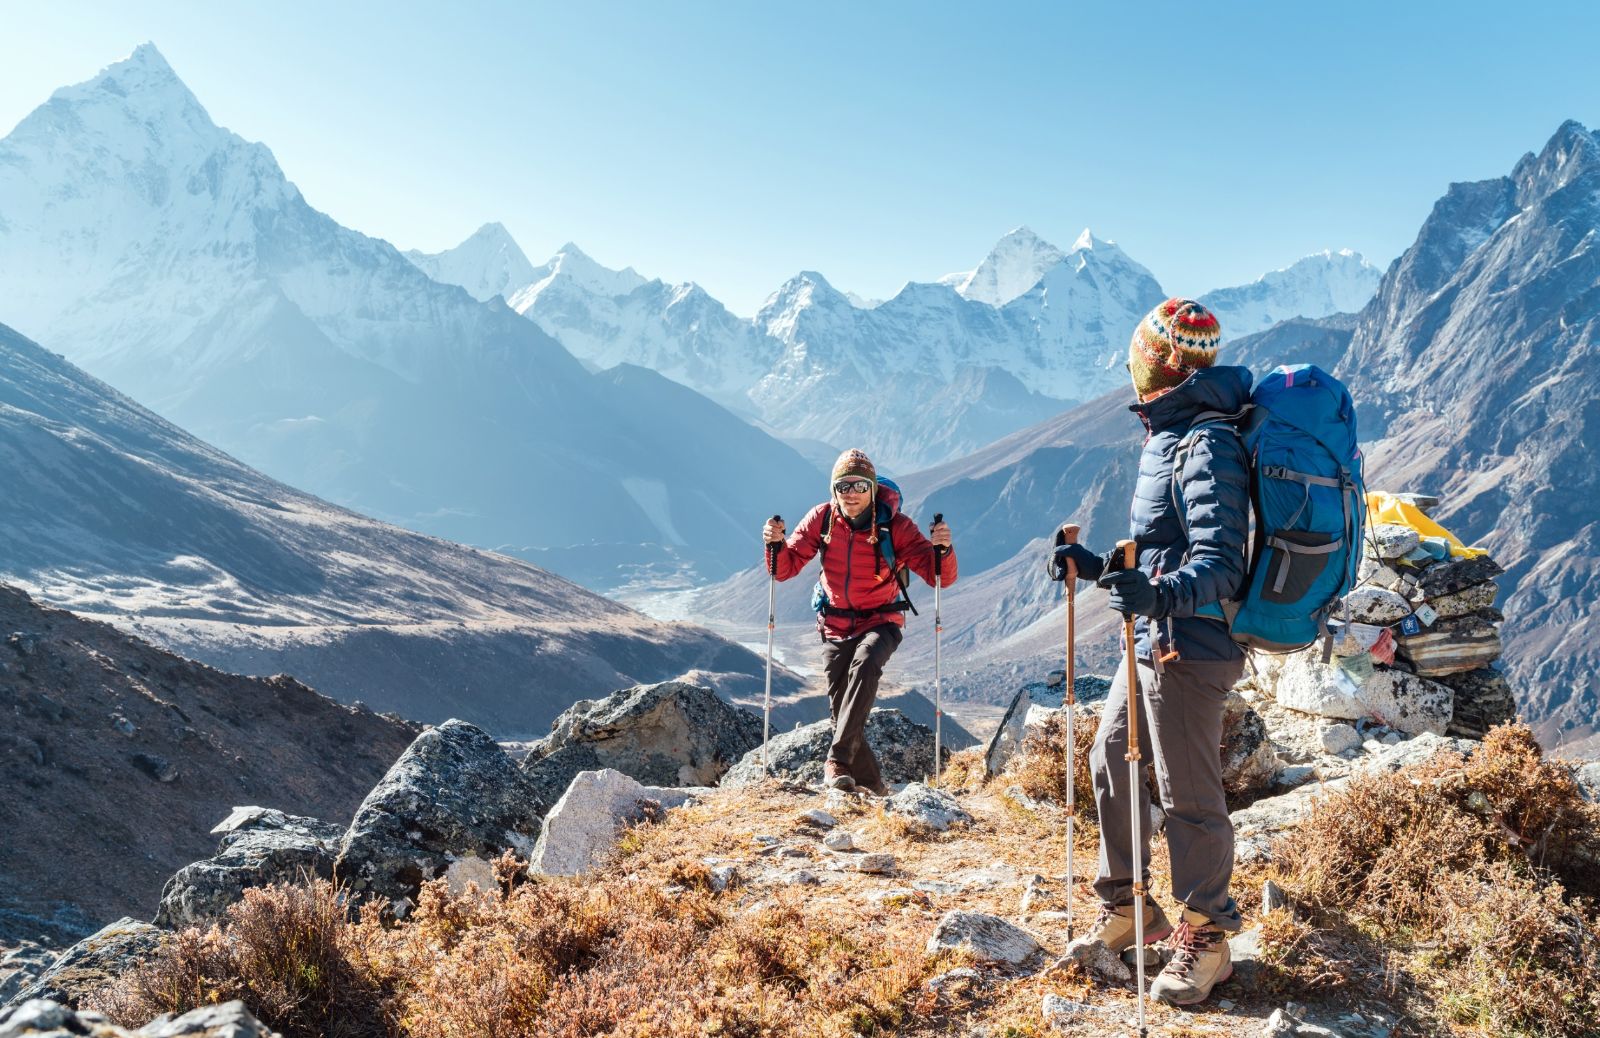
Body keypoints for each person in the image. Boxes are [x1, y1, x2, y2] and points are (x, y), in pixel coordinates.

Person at [1047, 298, 1250, 1006]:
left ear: (1156, 362)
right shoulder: (1167, 434)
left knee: (1190, 794)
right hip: (1154, 637)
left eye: (1138, 355)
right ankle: (1132, 907)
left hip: (1191, 647)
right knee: (1110, 756)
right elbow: (1163, 555)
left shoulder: (1207, 443)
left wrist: (1159, 598)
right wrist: (1098, 567)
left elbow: (1222, 565)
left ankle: (1209, 939)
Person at [764, 449, 955, 795]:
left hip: (881, 619)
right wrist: (775, 545)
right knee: (843, 711)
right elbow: (786, 568)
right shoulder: (821, 519)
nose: (851, 493)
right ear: (833, 489)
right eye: (843, 485)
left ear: (872, 488)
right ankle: (871, 785)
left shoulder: (895, 526)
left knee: (866, 666)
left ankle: (836, 761)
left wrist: (943, 549)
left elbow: (938, 574)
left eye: (859, 486)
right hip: (834, 623)